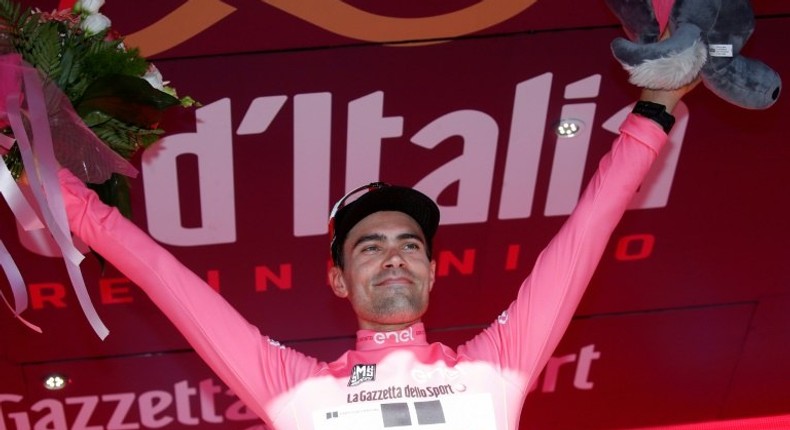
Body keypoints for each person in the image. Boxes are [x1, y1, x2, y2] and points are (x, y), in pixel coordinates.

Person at [56, 81, 695, 429]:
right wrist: (31, 159)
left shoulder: (497, 365)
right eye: (370, 246)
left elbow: (585, 232)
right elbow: (157, 271)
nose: (395, 258)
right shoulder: (290, 388)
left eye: (410, 245)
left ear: (432, 271)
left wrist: (656, 106)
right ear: (337, 279)